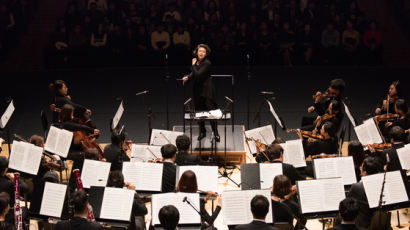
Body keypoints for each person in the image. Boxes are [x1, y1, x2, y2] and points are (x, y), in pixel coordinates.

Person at [182, 44, 220, 142]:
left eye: (203, 51)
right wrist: (188, 77)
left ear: (206, 53)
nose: (201, 53)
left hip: (207, 89)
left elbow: (198, 74)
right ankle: (202, 132)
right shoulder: (197, 62)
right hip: (197, 90)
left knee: (211, 112)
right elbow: (194, 73)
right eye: (200, 51)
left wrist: (193, 65)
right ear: (196, 52)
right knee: (199, 112)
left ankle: (215, 133)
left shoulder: (207, 63)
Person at [347, 157, 383, 229]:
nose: (360, 169)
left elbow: (348, 204)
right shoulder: (382, 184)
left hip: (364, 225)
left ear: (365, 173)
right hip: (381, 222)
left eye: (361, 168)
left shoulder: (357, 187)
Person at [0, 156, 28, 224]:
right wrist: (15, 179)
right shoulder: (10, 184)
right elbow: (25, 188)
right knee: (25, 210)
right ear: (6, 169)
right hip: (5, 214)